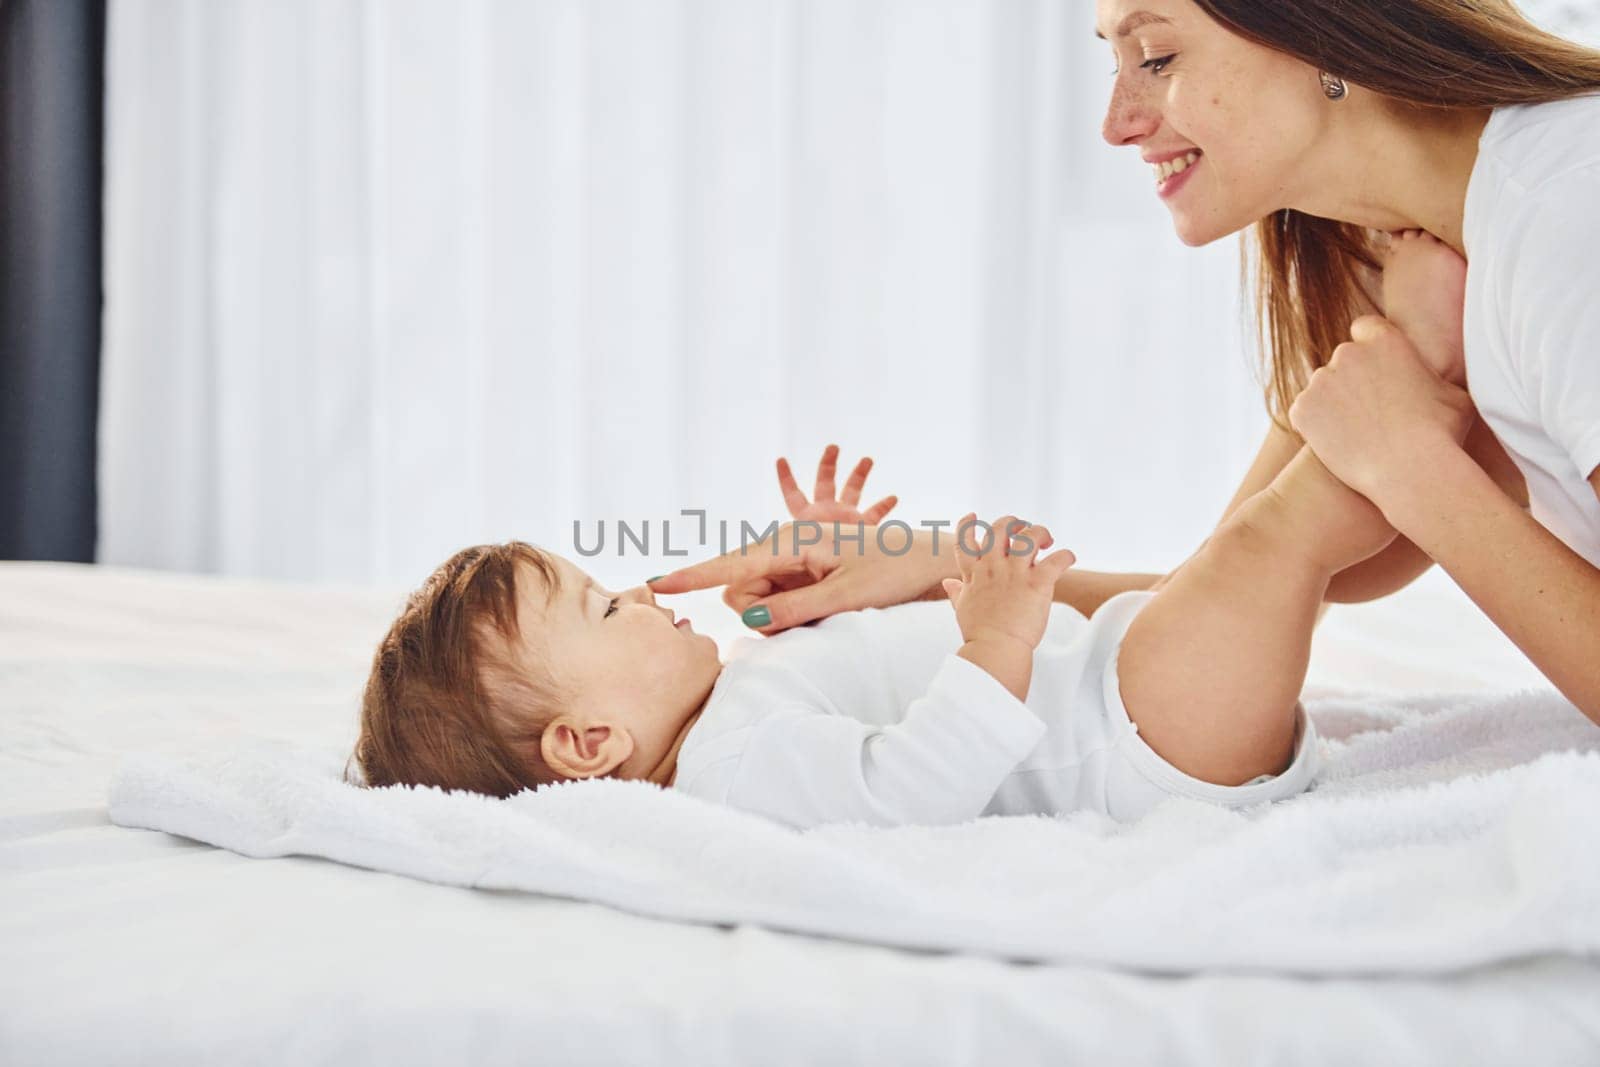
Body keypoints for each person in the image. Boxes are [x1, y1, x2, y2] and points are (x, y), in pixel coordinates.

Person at [648, 0, 1600, 786]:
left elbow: (1311, 545)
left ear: (1325, 30)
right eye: (1114, 60)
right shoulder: (1381, 249)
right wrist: (938, 568)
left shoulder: (1566, 218)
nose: (1116, 122)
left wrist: (1411, 466)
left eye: (1156, 56)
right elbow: (1248, 582)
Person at [350, 527, 1320, 830]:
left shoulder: (728, 716)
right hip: (1136, 727)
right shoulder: (732, 765)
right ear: (590, 740)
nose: (642, 594)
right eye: (607, 607)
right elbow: (909, 787)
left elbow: (864, 681)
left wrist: (838, 589)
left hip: (1134, 686)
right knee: (1296, 526)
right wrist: (997, 642)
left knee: (1302, 532)